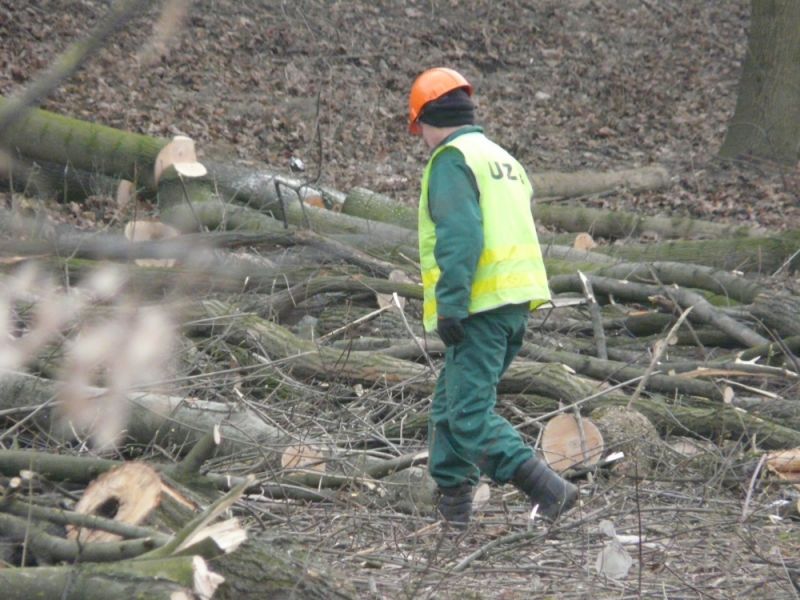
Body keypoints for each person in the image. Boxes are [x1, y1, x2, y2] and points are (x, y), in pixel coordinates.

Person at [408, 67, 578, 527]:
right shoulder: (502, 159)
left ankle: (549, 488)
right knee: (449, 408)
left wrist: (451, 303)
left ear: (426, 119)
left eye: (417, 128)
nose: (419, 137)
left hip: (479, 307)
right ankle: (454, 513)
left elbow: (460, 237)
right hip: (513, 306)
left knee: (466, 416)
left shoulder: (451, 159)